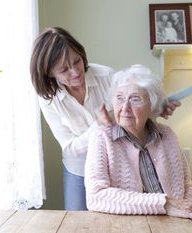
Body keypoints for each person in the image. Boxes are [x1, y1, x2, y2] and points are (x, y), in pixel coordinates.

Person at [29, 27, 180, 210]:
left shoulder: (106, 75)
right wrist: (98, 125)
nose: (75, 72)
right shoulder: (48, 100)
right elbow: (70, 148)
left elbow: (130, 110)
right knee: (78, 224)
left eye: (77, 61)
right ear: (49, 73)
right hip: (78, 168)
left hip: (115, 162)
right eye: (64, 70)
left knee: (118, 215)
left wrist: (156, 109)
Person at [84, 64, 192, 224]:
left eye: (135, 99)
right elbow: (95, 196)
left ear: (152, 105)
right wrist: (165, 203)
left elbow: (188, 185)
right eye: (119, 98)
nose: (125, 108)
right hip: (126, 226)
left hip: (175, 224)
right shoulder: (101, 138)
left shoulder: (167, 135)